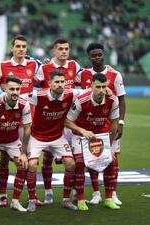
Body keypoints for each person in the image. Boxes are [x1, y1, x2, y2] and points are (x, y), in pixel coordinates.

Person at [76, 43, 126, 205]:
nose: (97, 57)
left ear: (103, 55)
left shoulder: (115, 74)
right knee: (92, 157)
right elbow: (65, 78)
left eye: (99, 54)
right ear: (89, 57)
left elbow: (121, 99)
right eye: (93, 55)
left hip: (108, 125)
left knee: (112, 158)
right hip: (90, 125)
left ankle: (113, 193)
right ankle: (96, 193)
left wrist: (120, 122)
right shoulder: (83, 75)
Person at [0, 35, 41, 207]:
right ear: (12, 48)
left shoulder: (33, 65)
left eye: (24, 46)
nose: (21, 49)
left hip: (28, 120)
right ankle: (2, 195)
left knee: (29, 161)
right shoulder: (3, 66)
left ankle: (31, 196)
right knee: (5, 159)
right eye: (18, 46)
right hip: (8, 120)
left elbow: (45, 79)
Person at [64, 73, 120, 211]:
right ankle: (81, 199)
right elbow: (67, 121)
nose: (101, 90)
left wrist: (110, 146)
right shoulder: (82, 100)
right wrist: (81, 130)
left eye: (103, 86)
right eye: (98, 87)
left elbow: (114, 123)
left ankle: (108, 199)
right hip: (80, 136)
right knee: (80, 163)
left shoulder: (112, 99)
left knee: (110, 162)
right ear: (91, 86)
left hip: (101, 136)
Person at [35, 38, 82, 204]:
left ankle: (74, 190)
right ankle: (48, 191)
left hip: (70, 118)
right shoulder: (45, 68)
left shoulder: (74, 66)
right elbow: (34, 85)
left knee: (74, 159)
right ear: (54, 50)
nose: (64, 51)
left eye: (66, 48)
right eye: (60, 49)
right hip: (52, 119)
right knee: (47, 158)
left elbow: (86, 78)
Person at [25, 71, 79, 212]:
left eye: (62, 82)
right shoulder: (38, 95)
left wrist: (108, 91)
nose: (60, 84)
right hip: (37, 136)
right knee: (32, 164)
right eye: (57, 82)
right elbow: (18, 97)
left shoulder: (70, 94)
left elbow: (89, 91)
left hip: (57, 136)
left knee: (71, 163)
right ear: (50, 83)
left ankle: (66, 200)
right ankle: (32, 200)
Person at [0, 75, 31, 212]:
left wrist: (23, 153)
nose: (15, 92)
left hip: (12, 140)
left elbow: (27, 129)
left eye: (17, 89)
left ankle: (15, 201)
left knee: (23, 165)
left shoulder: (24, 104)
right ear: (5, 89)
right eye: (12, 89)